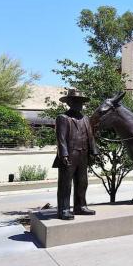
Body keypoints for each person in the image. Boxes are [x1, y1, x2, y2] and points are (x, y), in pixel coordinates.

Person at [52, 89, 98, 220]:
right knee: (65, 184)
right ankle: (64, 209)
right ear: (70, 103)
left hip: (83, 154)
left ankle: (80, 206)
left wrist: (94, 152)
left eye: (81, 102)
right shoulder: (63, 118)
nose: (80, 104)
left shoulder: (85, 119)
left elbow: (91, 136)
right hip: (70, 155)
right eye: (77, 101)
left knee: (82, 182)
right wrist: (64, 155)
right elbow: (60, 138)